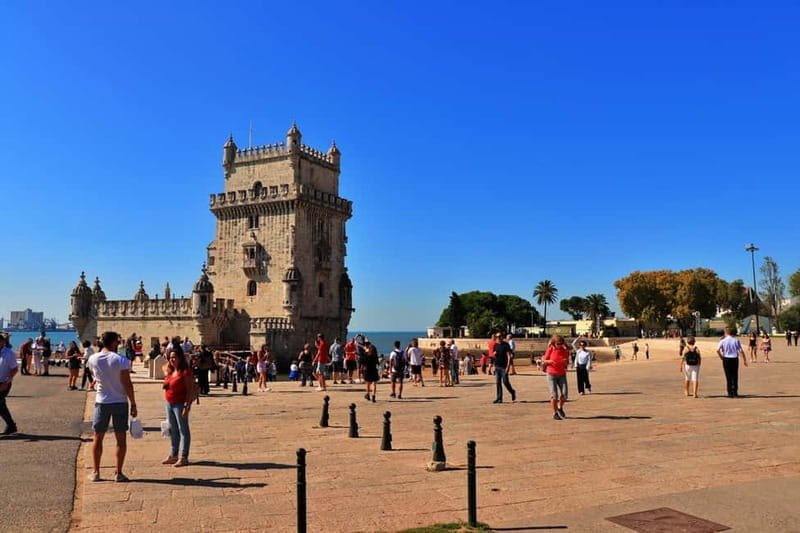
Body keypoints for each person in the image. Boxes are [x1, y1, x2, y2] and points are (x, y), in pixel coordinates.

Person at [86, 331, 137, 482]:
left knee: (97, 437)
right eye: (118, 341)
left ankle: (96, 472)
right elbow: (127, 383)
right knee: (120, 439)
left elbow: (94, 375)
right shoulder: (121, 359)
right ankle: (118, 472)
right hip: (120, 401)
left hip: (101, 401)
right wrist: (133, 403)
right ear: (114, 342)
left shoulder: (93, 358)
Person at [162, 344, 194, 467]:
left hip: (180, 404)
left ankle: (184, 456)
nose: (172, 360)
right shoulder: (171, 371)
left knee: (183, 430)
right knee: (173, 430)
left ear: (180, 358)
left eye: (174, 357)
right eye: (170, 358)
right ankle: (173, 454)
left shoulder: (185, 372)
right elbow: (164, 366)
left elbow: (190, 390)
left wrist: (187, 407)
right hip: (169, 403)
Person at [542, 334, 569, 419]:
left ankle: (560, 407)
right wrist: (550, 361)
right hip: (551, 373)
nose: (559, 345)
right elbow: (544, 360)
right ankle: (555, 413)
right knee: (554, 395)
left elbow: (567, 361)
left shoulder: (564, 350)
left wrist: (565, 362)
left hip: (562, 374)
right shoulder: (550, 349)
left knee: (564, 394)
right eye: (557, 343)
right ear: (554, 343)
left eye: (561, 343)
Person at [716, 328, 748, 398]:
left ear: (725, 333)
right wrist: (744, 360)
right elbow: (741, 351)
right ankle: (735, 391)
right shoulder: (736, 340)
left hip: (726, 358)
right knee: (735, 375)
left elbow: (717, 350)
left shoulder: (723, 341)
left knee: (728, 376)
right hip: (734, 358)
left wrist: (721, 357)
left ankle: (730, 392)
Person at [0, 334, 19, 435]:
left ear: (2, 342)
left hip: (3, 383)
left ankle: (11, 426)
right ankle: (11, 426)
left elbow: (15, 369)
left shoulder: (8, 353)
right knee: (1, 405)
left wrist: (7, 381)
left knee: (0, 404)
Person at [491, 333, 515, 403]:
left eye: (499, 336)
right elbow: (494, 356)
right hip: (497, 366)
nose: (497, 338)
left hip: (504, 367)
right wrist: (493, 366)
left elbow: (509, 356)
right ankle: (499, 398)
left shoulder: (506, 345)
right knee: (498, 382)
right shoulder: (495, 345)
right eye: (496, 336)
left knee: (505, 382)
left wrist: (508, 367)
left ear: (502, 337)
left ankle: (512, 391)